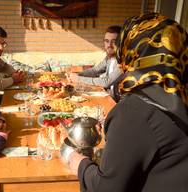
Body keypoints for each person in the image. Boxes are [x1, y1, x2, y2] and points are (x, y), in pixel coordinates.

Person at [64, 12, 188, 192]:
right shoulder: (178, 97)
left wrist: (80, 165)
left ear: (132, 50)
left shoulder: (136, 111)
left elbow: (105, 187)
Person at [66, 25, 122, 91]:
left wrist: (78, 79)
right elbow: (95, 70)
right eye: (107, 41)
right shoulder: (109, 58)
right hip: (109, 97)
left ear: (120, 42)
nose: (109, 45)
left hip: (120, 100)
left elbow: (106, 82)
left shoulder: (124, 61)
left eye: (113, 41)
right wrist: (76, 75)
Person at [0, 25, 25, 90]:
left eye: (3, 44)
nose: (1, 48)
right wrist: (13, 79)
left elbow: (4, 66)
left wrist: (16, 73)